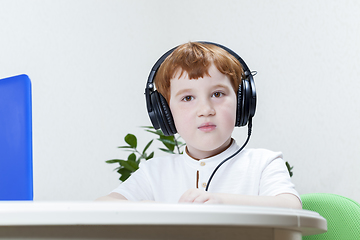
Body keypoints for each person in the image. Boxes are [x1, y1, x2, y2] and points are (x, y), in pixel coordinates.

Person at [97, 42, 302, 209]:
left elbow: (290, 206)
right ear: (165, 112)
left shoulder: (263, 164)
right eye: (187, 98)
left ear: (241, 103)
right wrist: (145, 207)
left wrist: (222, 201)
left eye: (217, 94)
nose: (205, 109)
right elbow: (101, 206)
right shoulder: (154, 172)